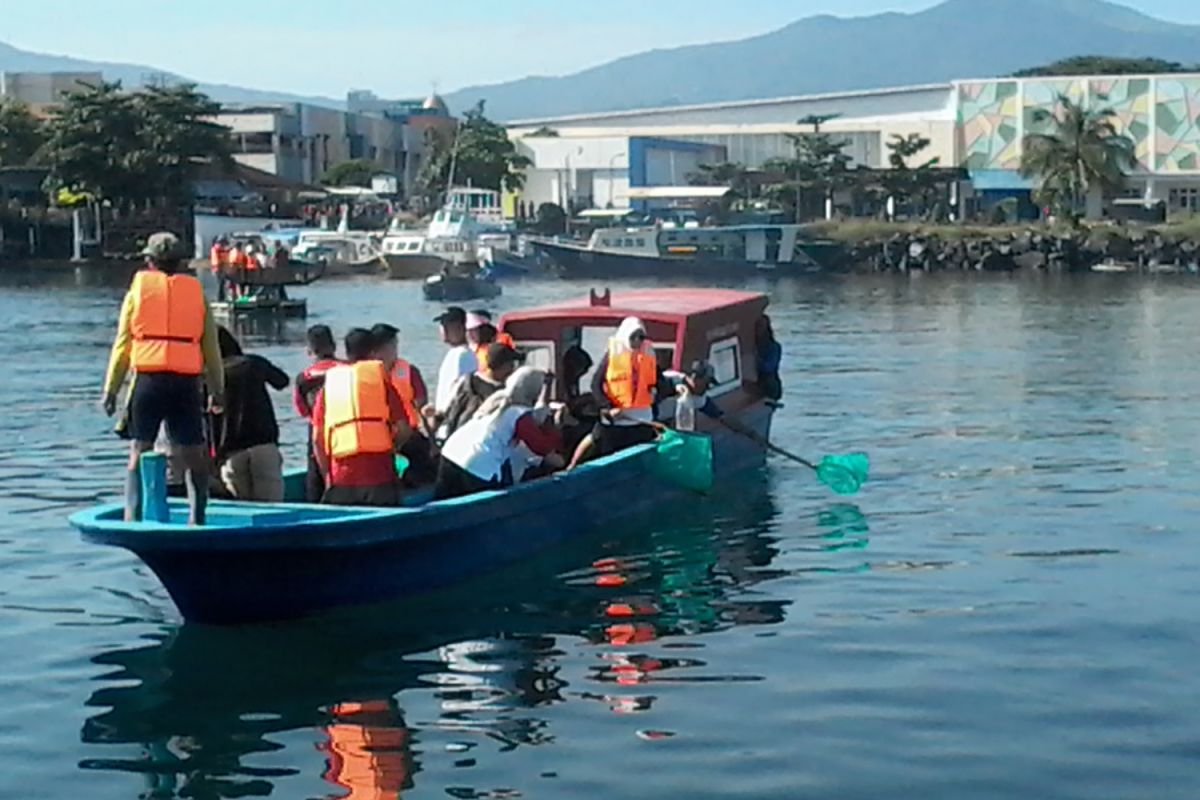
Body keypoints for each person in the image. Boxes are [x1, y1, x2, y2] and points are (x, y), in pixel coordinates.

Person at [101, 232, 225, 525]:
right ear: (181, 263)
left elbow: (123, 344)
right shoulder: (197, 294)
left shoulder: (137, 293)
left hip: (148, 380)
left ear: (150, 262)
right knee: (194, 454)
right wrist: (217, 389)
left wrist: (111, 390)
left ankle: (132, 516)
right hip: (185, 383)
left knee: (139, 450)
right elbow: (211, 347)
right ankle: (197, 518)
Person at [312, 328, 412, 507]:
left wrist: (328, 476)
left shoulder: (329, 388)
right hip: (379, 476)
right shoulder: (382, 383)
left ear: (347, 353)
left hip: (341, 477)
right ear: (373, 353)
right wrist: (393, 447)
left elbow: (317, 440)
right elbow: (404, 428)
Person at [436, 367, 565, 500]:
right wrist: (555, 427)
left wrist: (546, 386)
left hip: (451, 452)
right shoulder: (517, 414)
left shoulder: (495, 402)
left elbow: (537, 413)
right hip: (476, 465)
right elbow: (540, 447)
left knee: (442, 500)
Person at [568, 317, 668, 467]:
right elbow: (595, 383)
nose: (637, 341)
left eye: (641, 337)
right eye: (633, 337)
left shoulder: (648, 355)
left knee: (638, 459)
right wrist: (607, 407)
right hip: (616, 419)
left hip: (641, 420)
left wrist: (656, 395)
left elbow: (661, 383)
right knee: (597, 437)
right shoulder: (613, 355)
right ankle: (571, 467)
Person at [211, 327, 289, 501]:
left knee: (242, 512)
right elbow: (282, 381)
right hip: (264, 446)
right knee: (273, 512)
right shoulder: (253, 363)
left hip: (231, 453)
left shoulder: (210, 376)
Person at [370, 322, 437, 485]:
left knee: (430, 462)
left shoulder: (409, 371)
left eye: (395, 344)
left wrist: (433, 443)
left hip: (407, 435)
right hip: (377, 436)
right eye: (392, 345)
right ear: (377, 349)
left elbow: (421, 408)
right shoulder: (367, 375)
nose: (395, 349)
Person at [294, 325, 342, 502]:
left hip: (317, 432)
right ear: (334, 346)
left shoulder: (303, 378)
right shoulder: (349, 370)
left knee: (314, 479)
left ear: (309, 351)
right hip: (345, 430)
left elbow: (302, 410)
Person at [441, 342, 524, 437]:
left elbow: (446, 409)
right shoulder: (502, 394)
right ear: (502, 366)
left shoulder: (466, 381)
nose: (513, 369)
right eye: (511, 364)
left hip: (454, 440)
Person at [426, 307, 477, 436]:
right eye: (443, 326)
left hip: (449, 425)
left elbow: (458, 391)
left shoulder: (462, 355)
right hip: (446, 424)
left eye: (448, 326)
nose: (443, 330)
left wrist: (437, 419)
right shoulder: (456, 353)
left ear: (461, 328)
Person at [755, 314, 783, 402]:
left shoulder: (774, 347)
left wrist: (756, 361)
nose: (758, 331)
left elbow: (769, 367)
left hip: (770, 384)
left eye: (761, 327)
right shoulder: (753, 345)